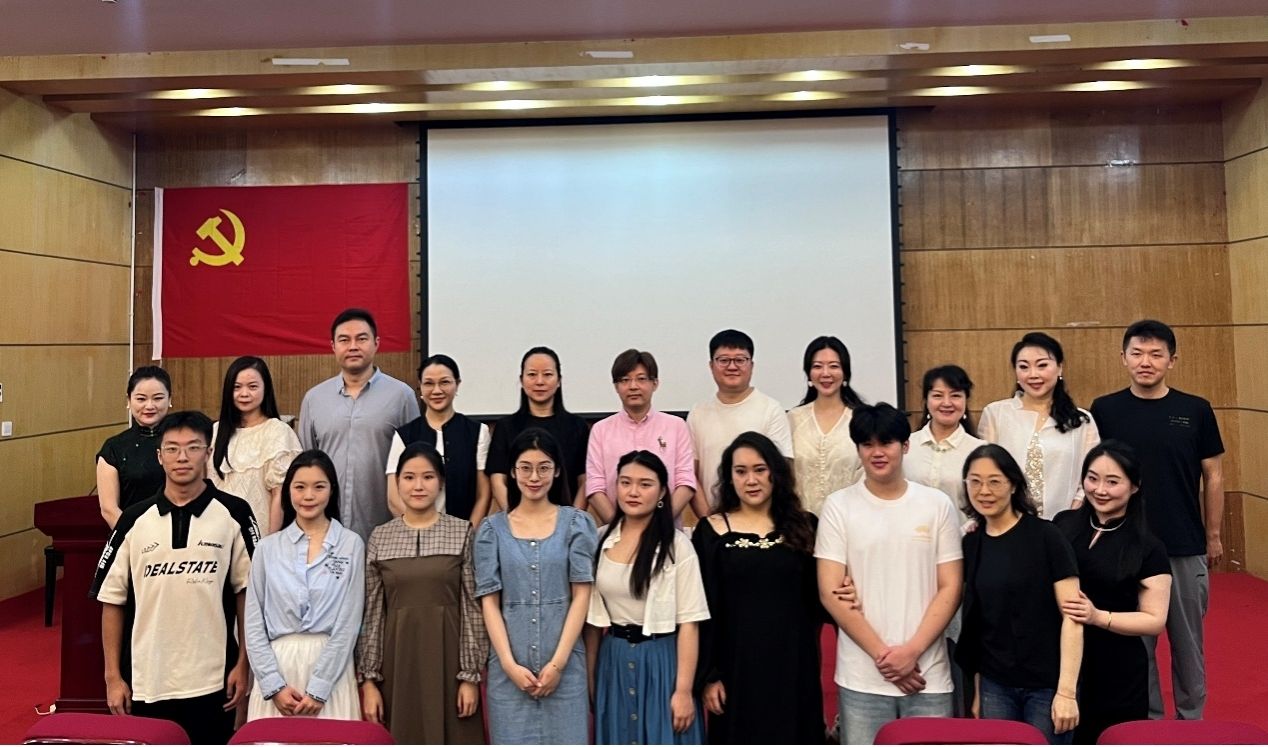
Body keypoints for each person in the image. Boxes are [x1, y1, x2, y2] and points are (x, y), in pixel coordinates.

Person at [91, 411, 259, 745]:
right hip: (147, 680)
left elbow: (248, 595)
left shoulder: (235, 513)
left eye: (193, 447)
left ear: (208, 453)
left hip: (214, 681)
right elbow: (112, 599)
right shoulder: (133, 520)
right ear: (159, 456)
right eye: (172, 449)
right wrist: (113, 677)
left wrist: (244, 665)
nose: (182, 457)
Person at [1089, 319, 1221, 721]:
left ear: (1172, 360)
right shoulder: (1104, 410)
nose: (1145, 362)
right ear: (1123, 358)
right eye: (1137, 353)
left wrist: (1213, 535)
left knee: (1188, 645)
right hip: (1126, 545)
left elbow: (1214, 475)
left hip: (1183, 543)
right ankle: (1147, 725)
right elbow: (1095, 477)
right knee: (1136, 647)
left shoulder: (1195, 409)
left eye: (1155, 354)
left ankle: (1191, 722)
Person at [815, 403, 962, 746]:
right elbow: (830, 591)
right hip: (861, 678)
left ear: (905, 445)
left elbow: (951, 586)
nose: (877, 452)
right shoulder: (839, 506)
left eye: (886, 443)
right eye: (867, 444)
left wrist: (911, 653)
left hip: (927, 675)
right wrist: (887, 659)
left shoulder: (936, 504)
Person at [692, 432, 825, 744]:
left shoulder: (806, 525)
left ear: (775, 472)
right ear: (730, 478)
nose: (751, 480)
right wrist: (709, 676)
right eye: (741, 471)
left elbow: (820, 598)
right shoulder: (711, 531)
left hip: (794, 665)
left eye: (759, 469)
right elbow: (702, 608)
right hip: (736, 670)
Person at [357, 443, 487, 744]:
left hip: (450, 663)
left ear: (441, 482)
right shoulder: (380, 537)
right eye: (409, 477)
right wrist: (370, 680)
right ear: (397, 482)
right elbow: (372, 614)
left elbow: (473, 608)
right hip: (397, 663)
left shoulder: (462, 532)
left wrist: (470, 675)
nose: (418, 486)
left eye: (428, 477)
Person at [475, 428, 597, 745]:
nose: (534, 477)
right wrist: (508, 665)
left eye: (543, 467)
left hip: (565, 669)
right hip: (508, 673)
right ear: (513, 472)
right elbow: (489, 602)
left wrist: (557, 665)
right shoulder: (491, 530)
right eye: (525, 467)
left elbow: (581, 596)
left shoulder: (576, 523)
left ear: (556, 471)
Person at [957, 444, 1083, 744]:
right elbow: (977, 623)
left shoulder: (1046, 535)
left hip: (1047, 686)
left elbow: (1073, 616)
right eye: (975, 481)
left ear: (1013, 484)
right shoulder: (972, 543)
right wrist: (978, 690)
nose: (984, 491)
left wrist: (1066, 692)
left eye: (994, 481)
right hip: (995, 685)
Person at [585, 450, 709, 744]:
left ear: (662, 491)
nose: (633, 492)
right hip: (613, 659)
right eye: (625, 482)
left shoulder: (678, 546)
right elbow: (592, 622)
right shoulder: (599, 540)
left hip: (662, 661)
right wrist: (591, 679)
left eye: (645, 484)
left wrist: (683, 690)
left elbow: (690, 623)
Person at [1055, 441, 1172, 743]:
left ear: (1135, 486)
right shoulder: (1063, 524)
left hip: (1117, 667)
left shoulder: (1148, 546)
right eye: (1092, 478)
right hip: (1061, 660)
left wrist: (1098, 616)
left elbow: (1154, 620)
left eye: (1112, 482)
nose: (1100, 490)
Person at [244, 450, 364, 721]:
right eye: (300, 487)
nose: (308, 496)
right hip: (278, 668)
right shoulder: (267, 549)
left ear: (332, 490)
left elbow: (349, 622)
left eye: (319, 487)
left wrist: (320, 688)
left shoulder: (351, 544)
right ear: (288, 491)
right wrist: (273, 684)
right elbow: (253, 623)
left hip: (332, 671)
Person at [298, 308, 419, 542]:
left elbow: (415, 463)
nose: (353, 346)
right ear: (333, 346)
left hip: (386, 528)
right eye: (344, 340)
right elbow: (305, 465)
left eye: (361, 339)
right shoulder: (314, 399)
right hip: (326, 530)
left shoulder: (401, 396)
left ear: (376, 343)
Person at [979, 332, 1099, 519]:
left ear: (1059, 368)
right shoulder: (996, 414)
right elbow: (983, 470)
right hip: (1005, 523)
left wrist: (1070, 517)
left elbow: (1091, 476)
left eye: (1042, 365)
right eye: (1024, 367)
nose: (1033, 374)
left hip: (1063, 525)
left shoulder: (1081, 421)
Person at [585, 349, 699, 523]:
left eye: (641, 379)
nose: (633, 386)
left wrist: (661, 523)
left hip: (666, 529)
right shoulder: (600, 430)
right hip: (616, 531)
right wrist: (620, 527)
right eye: (625, 380)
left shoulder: (676, 426)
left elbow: (686, 481)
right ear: (616, 387)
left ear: (655, 383)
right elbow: (595, 486)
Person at [688, 329, 793, 511]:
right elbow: (690, 475)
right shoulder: (698, 413)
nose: (732, 367)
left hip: (762, 519)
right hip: (713, 517)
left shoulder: (771, 410)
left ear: (751, 365)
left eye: (740, 360)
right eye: (723, 360)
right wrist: (709, 520)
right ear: (711, 365)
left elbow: (781, 471)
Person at [385, 354, 492, 526]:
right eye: (429, 383)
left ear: (457, 384)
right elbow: (393, 498)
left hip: (464, 535)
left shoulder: (478, 432)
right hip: (415, 535)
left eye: (444, 382)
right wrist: (421, 531)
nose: (436, 390)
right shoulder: (405, 435)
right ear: (420, 387)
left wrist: (468, 533)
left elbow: (484, 495)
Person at [486, 346, 590, 511]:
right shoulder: (506, 427)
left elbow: (584, 480)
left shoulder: (577, 427)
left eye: (547, 374)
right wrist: (515, 517)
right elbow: (498, 480)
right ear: (521, 380)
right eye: (532, 374)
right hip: (517, 519)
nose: (539, 381)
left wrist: (572, 519)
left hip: (566, 519)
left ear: (559, 380)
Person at [211, 356, 302, 535]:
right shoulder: (216, 431)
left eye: (252, 386)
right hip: (217, 536)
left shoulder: (278, 431)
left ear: (265, 388)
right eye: (237, 387)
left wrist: (270, 542)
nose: (244, 393)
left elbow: (280, 495)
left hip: (260, 536)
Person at [788, 336, 866, 515]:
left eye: (834, 366)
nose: (825, 373)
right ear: (808, 373)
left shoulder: (861, 419)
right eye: (817, 366)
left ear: (845, 373)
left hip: (850, 519)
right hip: (799, 524)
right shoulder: (792, 419)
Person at [97, 366, 172, 528]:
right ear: (129, 400)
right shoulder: (114, 447)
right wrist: (136, 537)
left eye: (158, 398)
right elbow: (109, 509)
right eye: (141, 399)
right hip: (132, 535)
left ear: (170, 399)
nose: (149, 406)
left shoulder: (185, 441)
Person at [905, 365, 987, 513]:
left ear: (966, 400)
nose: (947, 403)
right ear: (926, 400)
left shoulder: (981, 451)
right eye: (938, 395)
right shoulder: (905, 447)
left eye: (955, 396)